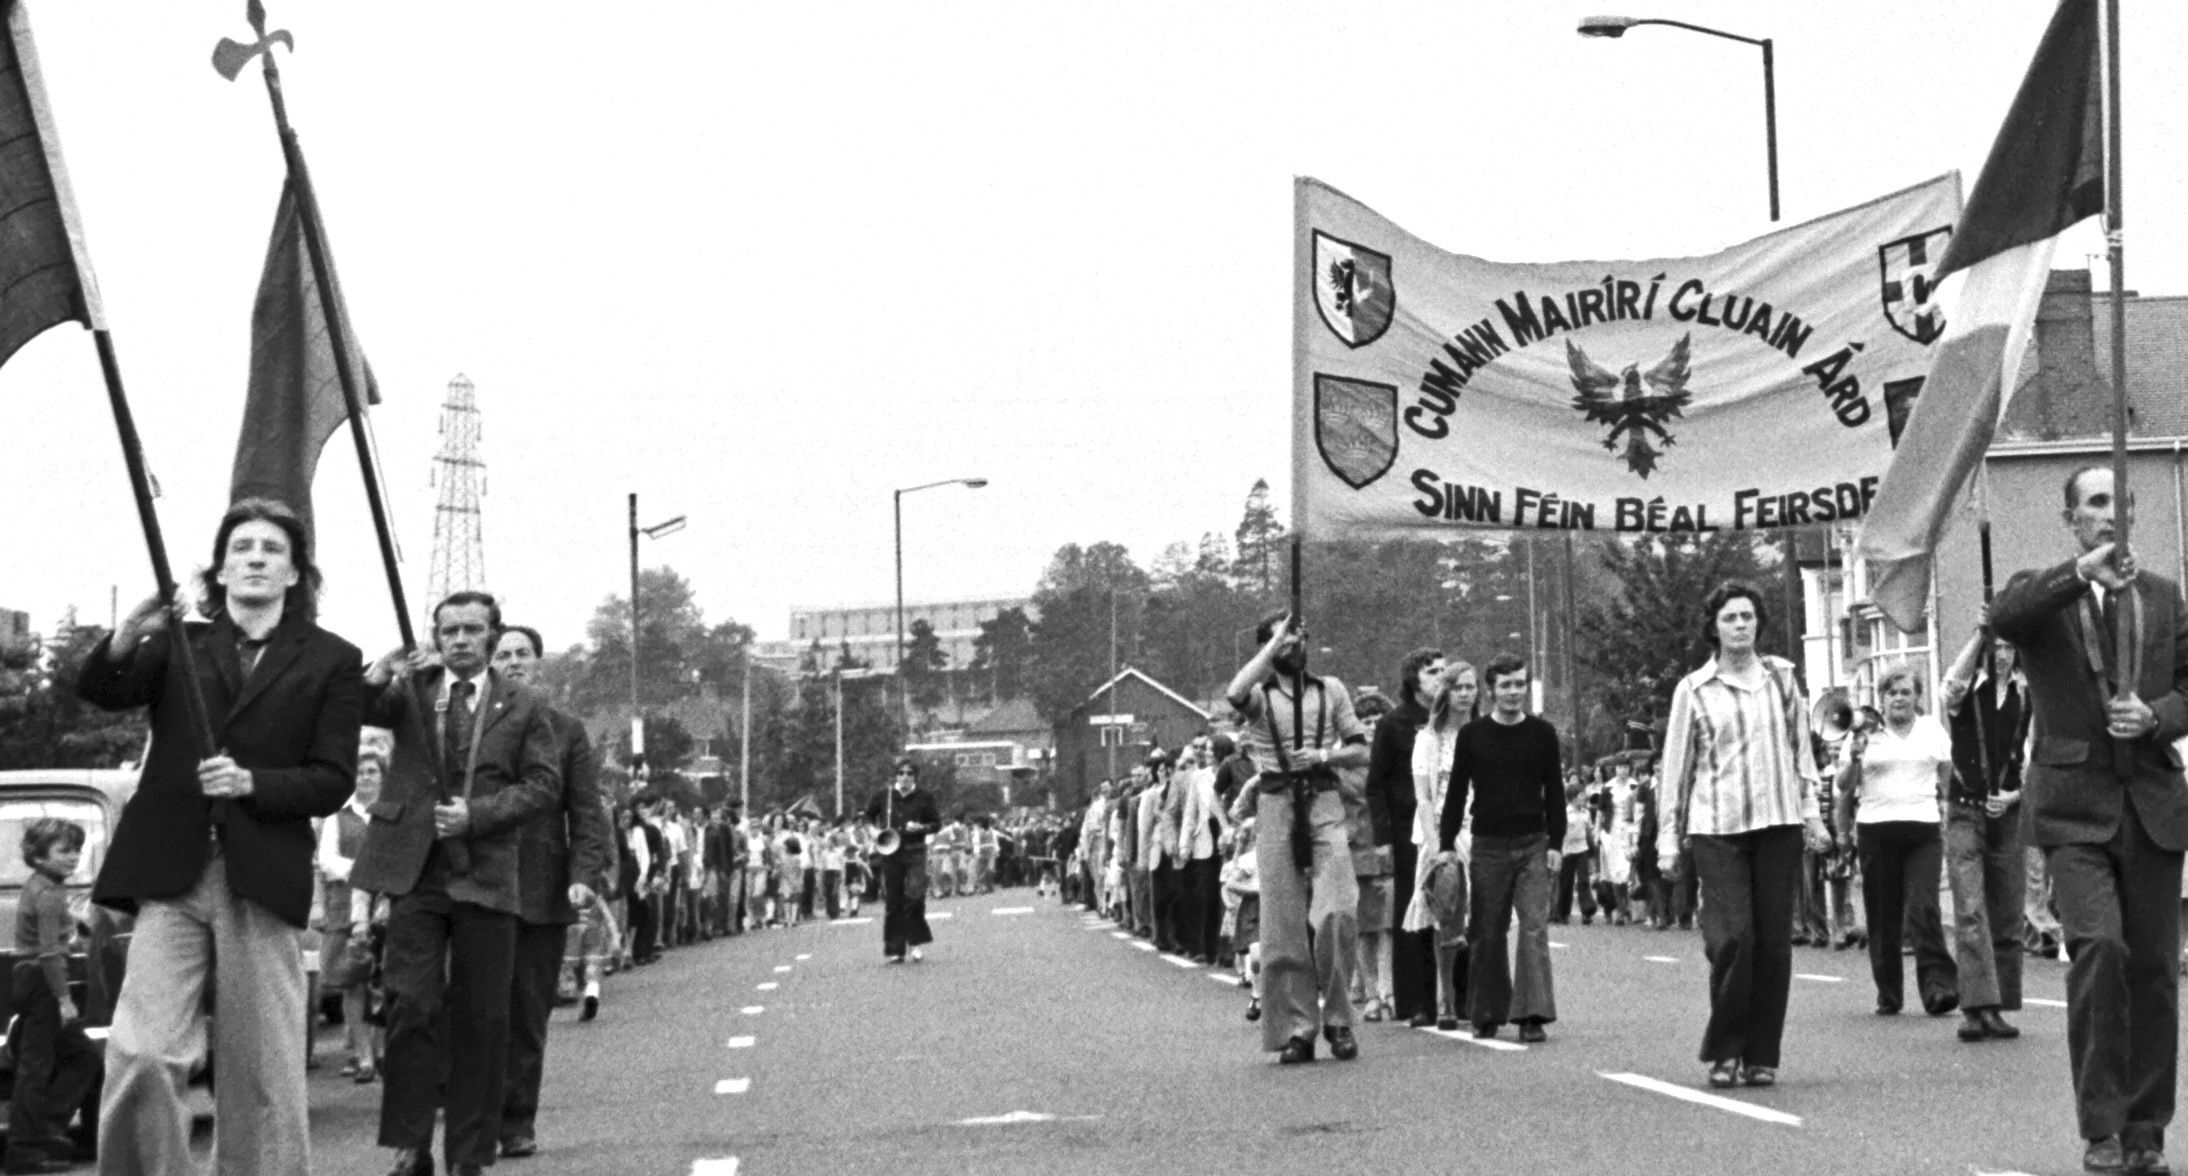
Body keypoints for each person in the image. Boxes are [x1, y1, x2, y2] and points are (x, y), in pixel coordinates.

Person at [78, 498, 363, 1176]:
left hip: (260, 876)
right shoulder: (181, 645)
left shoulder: (332, 660)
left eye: (271, 548)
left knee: (260, 1068)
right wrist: (129, 631)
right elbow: (104, 690)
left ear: (296, 573)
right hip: (171, 872)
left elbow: (331, 781)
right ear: (221, 569)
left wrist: (252, 784)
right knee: (141, 1052)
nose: (256, 557)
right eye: (242, 548)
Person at [1990, 465, 2188, 1176]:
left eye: (2120, 502)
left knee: (2157, 973)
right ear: (2072, 518)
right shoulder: (2044, 594)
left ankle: (2146, 1133)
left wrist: (2158, 716)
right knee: (2100, 951)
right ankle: (2100, 1126)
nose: (2111, 514)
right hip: (2075, 811)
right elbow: (2002, 619)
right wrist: (2081, 572)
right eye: (2096, 503)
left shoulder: (2164, 598)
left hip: (2156, 806)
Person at [352, 591, 562, 1176]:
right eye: (449, 631)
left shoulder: (524, 705)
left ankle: (469, 1157)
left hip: (487, 875)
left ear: (493, 637)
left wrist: (480, 815)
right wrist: (384, 667)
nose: (460, 641)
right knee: (410, 1005)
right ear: (436, 638)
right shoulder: (413, 693)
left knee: (483, 1020)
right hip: (414, 872)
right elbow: (356, 707)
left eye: (472, 630)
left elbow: (544, 786)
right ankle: (410, 1143)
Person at [1659, 581, 1832, 1090]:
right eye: (1730, 617)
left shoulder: (1782, 677)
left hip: (1778, 823)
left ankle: (1761, 1054)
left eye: (1747, 616)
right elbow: (1676, 768)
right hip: (1717, 827)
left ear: (1759, 623)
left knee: (1774, 945)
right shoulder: (1694, 689)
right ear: (1714, 627)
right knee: (1734, 939)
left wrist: (1813, 814)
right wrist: (1668, 839)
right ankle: (1726, 1047)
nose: (1740, 625)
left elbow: (1802, 753)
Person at [489, 625, 614, 1160]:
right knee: (472, 1006)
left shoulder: (567, 731)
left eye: (522, 654)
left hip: (541, 889)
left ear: (539, 664)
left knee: (527, 1011)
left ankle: (515, 1122)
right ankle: (472, 1111)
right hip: (474, 884)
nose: (513, 662)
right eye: (504, 655)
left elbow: (587, 812)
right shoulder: (470, 724)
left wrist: (583, 873)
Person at [1226, 609, 1367, 1065]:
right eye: (1283, 641)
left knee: (1337, 911)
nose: (1293, 647)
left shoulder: (1333, 690)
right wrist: (1272, 646)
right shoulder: (1261, 696)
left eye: (1298, 638)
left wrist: (1324, 754)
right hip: (1276, 804)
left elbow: (1361, 749)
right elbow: (1235, 692)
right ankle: (1295, 1029)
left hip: (1324, 800)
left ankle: (1340, 1019)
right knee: (1283, 924)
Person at [1438, 652, 1562, 1044]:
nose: (1514, 692)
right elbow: (1457, 793)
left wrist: (1556, 844)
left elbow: (1555, 792)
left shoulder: (1543, 733)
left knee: (1533, 928)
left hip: (1533, 844)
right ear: (1490, 690)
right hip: (1488, 846)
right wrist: (1446, 846)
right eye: (1506, 685)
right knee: (1487, 930)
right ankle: (1486, 1010)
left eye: (1520, 684)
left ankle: (1532, 1013)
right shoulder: (1473, 736)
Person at [1833, 664, 1959, 1017]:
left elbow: (1948, 775)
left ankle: (1938, 988)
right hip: (1876, 830)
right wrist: (1856, 754)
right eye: (1891, 693)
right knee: (1883, 915)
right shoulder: (1863, 733)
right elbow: (1844, 787)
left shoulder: (1931, 730)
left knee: (1924, 908)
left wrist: (1950, 812)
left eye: (1906, 692)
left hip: (1923, 830)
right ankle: (1889, 992)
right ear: (1882, 700)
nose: (1899, 699)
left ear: (1917, 697)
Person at [1939, 620, 2033, 1045]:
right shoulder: (1967, 694)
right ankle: (1977, 1008)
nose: (2002, 656)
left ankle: (1999, 1005)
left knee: (2007, 910)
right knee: (1971, 908)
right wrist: (1978, 631)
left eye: (2009, 648)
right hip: (1965, 811)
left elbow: (2036, 759)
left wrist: (2013, 797)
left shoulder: (2025, 696)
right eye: (1995, 648)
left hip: (2006, 814)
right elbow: (1950, 684)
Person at [8, 818, 98, 1175]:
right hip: (42, 983)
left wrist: (73, 931)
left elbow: (54, 940)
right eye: (63, 850)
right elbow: (48, 953)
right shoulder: (48, 894)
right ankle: (27, 1144)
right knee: (40, 1065)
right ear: (39, 856)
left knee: (78, 1057)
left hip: (32, 980)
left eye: (76, 849)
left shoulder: (43, 887)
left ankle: (41, 1132)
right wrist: (63, 999)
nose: (73, 857)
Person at [1371, 647, 1444, 1027]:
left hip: (1450, 824)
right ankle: (1415, 999)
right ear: (1414, 680)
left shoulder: (1459, 719)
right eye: (1433, 671)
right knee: (1411, 912)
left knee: (1456, 907)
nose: (1441, 677)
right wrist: (1383, 836)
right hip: (1406, 830)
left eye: (1445, 670)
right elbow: (1376, 784)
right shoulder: (1393, 724)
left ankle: (1460, 996)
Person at [1405, 660, 1477, 1030]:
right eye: (1458, 687)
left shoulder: (1482, 733)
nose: (1465, 694)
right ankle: (1444, 997)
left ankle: (1476, 996)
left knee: (1479, 919)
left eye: (1471, 687)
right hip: (1441, 835)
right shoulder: (1429, 739)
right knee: (1443, 915)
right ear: (1445, 693)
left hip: (1479, 833)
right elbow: (1424, 797)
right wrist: (1437, 846)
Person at [321, 744, 384, 1084]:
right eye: (360, 772)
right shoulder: (336, 814)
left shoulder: (390, 812)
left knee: (383, 981)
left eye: (372, 771)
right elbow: (328, 861)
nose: (365, 778)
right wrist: (366, 870)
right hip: (345, 908)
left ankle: (380, 1050)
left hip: (386, 906)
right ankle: (362, 1057)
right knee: (353, 982)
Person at [1346, 689, 1396, 1021]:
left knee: (1389, 925)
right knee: (1364, 927)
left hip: (1391, 847)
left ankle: (1387, 989)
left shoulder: (1398, 757)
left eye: (1378, 720)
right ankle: (1370, 991)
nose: (1373, 726)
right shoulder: (1345, 765)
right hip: (1357, 849)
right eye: (1365, 721)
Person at [863, 759, 941, 963]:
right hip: (891, 851)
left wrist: (922, 828)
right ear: (896, 775)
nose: (905, 776)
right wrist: (873, 831)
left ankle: (914, 943)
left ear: (915, 777)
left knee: (915, 896)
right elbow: (868, 817)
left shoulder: (924, 797)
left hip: (915, 849)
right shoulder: (885, 795)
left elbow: (936, 824)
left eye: (909, 773)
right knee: (893, 900)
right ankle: (895, 949)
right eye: (901, 773)